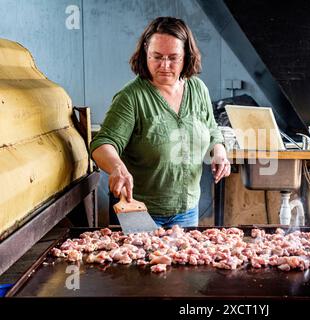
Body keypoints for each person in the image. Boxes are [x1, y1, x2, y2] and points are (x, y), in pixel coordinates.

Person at [90, 17, 230, 228]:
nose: (164, 65)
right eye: (157, 57)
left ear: (186, 57)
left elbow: (211, 130)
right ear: (146, 52)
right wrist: (117, 167)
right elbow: (102, 143)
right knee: (141, 261)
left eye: (173, 58)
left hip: (187, 210)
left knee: (185, 261)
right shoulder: (131, 97)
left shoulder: (198, 89)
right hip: (139, 210)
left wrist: (219, 152)